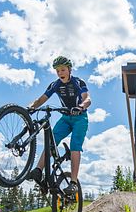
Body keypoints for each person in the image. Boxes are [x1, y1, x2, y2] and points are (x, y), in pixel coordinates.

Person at [25, 56, 91, 195]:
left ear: (69, 70)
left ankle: (73, 183)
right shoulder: (55, 84)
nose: (60, 73)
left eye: (63, 70)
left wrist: (80, 106)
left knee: (75, 146)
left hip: (80, 118)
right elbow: (42, 99)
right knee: (51, 142)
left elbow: (87, 99)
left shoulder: (78, 82)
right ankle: (38, 170)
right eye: (57, 71)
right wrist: (31, 107)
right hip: (65, 118)